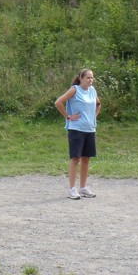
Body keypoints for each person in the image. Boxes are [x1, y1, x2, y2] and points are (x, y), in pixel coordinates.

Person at [54, 69, 101, 200]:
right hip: (76, 129)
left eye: (92, 78)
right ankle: (72, 189)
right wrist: (68, 116)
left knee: (86, 158)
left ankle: (83, 187)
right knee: (75, 158)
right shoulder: (74, 89)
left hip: (90, 129)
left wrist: (93, 117)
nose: (90, 80)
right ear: (81, 78)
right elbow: (58, 102)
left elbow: (98, 105)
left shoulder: (92, 91)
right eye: (88, 78)